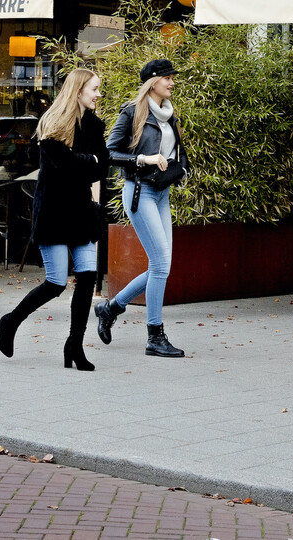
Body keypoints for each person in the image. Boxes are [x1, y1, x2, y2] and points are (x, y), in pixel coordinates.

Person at [0, 69, 107, 370]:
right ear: (78, 89)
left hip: (82, 210)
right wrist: (88, 161)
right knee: (56, 283)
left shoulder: (95, 125)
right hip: (54, 212)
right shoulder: (53, 122)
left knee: (87, 277)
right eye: (94, 88)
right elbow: (64, 166)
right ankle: (10, 322)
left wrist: (88, 162)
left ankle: (75, 345)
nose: (98, 94)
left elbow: (100, 168)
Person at [95, 58, 189, 359]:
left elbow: (177, 152)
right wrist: (143, 159)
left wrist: (180, 168)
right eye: (167, 78)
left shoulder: (170, 115)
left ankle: (110, 308)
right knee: (161, 263)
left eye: (172, 78)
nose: (172, 82)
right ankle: (154, 336)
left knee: (162, 265)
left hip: (161, 192)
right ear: (152, 82)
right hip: (139, 192)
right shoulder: (133, 112)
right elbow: (109, 152)